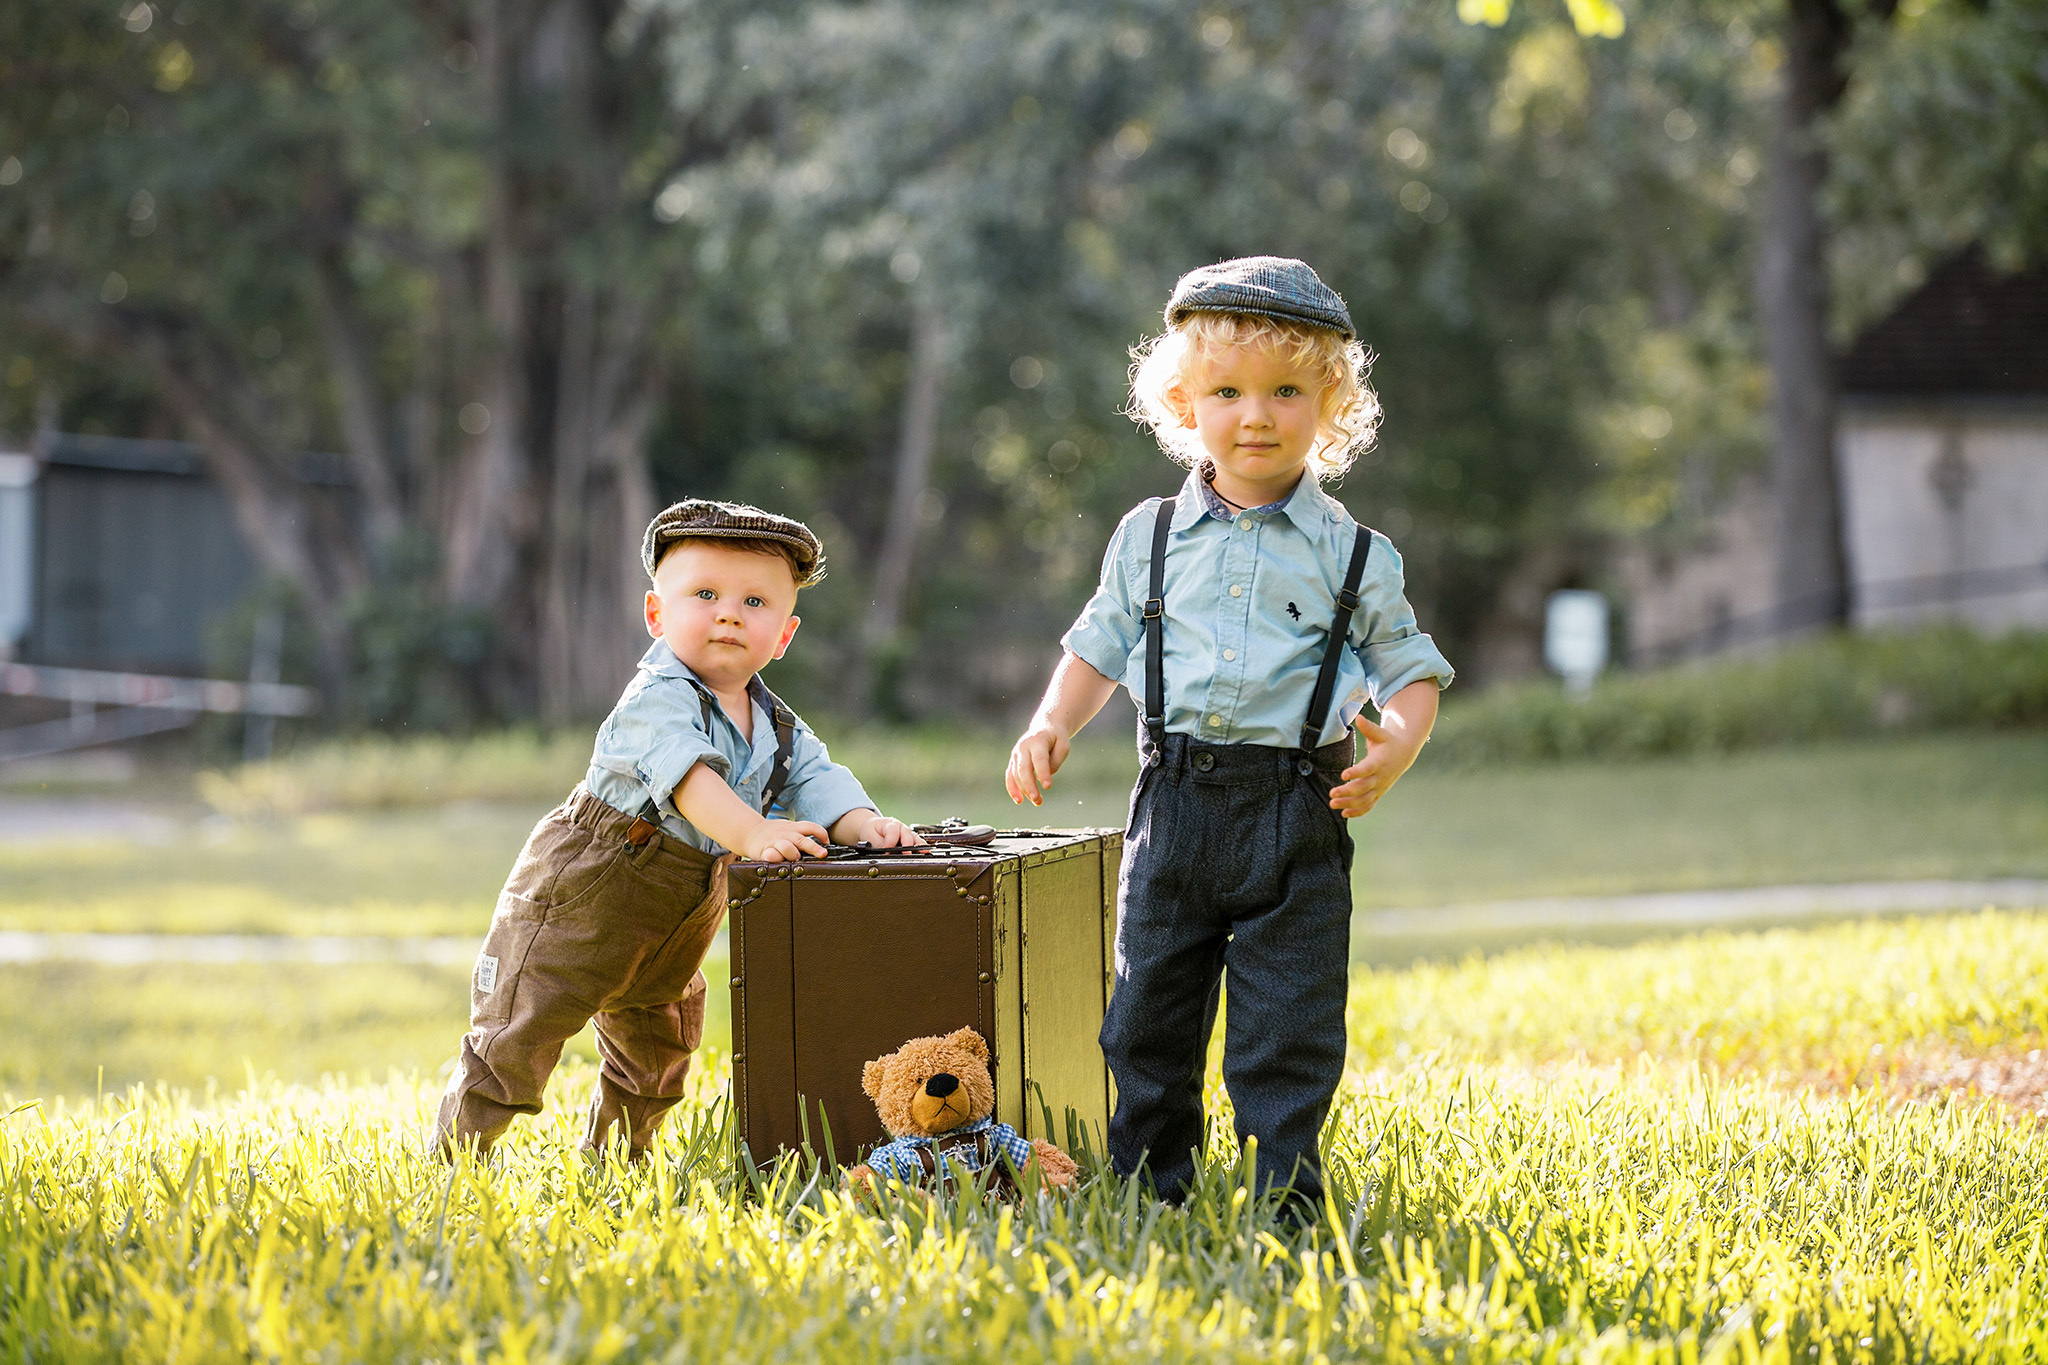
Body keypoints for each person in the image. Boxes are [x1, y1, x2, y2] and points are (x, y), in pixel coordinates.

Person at [1004, 256, 1455, 1216]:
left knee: (1286, 1025)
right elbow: (1099, 645)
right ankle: (1149, 1190)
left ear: (1332, 403)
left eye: (1287, 390)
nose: (1256, 415)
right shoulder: (1149, 536)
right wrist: (1053, 721)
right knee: (1146, 1018)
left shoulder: (1356, 552)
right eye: (1227, 392)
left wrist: (1399, 743)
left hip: (1299, 809)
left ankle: (1285, 1197)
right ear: (1183, 401)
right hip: (1173, 806)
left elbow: (1410, 666)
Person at [436, 499, 924, 1160]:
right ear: (656, 615)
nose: (728, 612)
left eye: (755, 602)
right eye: (705, 593)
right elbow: (692, 781)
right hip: (583, 896)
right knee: (520, 1035)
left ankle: (617, 1160)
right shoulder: (655, 698)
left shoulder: (774, 722)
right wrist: (753, 833)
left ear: (783, 635)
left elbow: (817, 778)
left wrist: (864, 823)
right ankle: (457, 1161)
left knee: (657, 1056)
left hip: (678, 916)